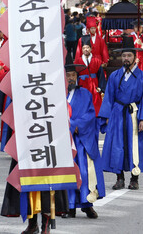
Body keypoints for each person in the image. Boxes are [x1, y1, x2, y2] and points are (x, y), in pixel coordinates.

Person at [99, 36, 143, 191]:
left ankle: (134, 178)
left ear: (135, 57)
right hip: (118, 114)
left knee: (135, 145)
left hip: (134, 114)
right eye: (124, 55)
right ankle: (119, 178)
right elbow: (109, 98)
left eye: (129, 55)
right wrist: (106, 117)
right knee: (117, 145)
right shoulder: (114, 76)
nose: (126, 58)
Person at [62, 63, 104, 219]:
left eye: (73, 75)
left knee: (84, 173)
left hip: (81, 140)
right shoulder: (58, 94)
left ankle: (87, 205)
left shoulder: (85, 94)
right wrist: (71, 125)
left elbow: (90, 114)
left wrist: (76, 125)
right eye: (68, 75)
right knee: (68, 172)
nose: (71, 78)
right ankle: (69, 206)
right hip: (64, 140)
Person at [74, 35, 106, 114]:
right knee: (83, 108)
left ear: (91, 49)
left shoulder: (97, 61)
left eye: (88, 47)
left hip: (94, 87)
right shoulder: (77, 62)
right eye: (84, 48)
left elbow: (101, 76)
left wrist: (101, 89)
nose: (86, 50)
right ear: (81, 49)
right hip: (82, 87)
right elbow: (75, 76)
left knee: (96, 108)